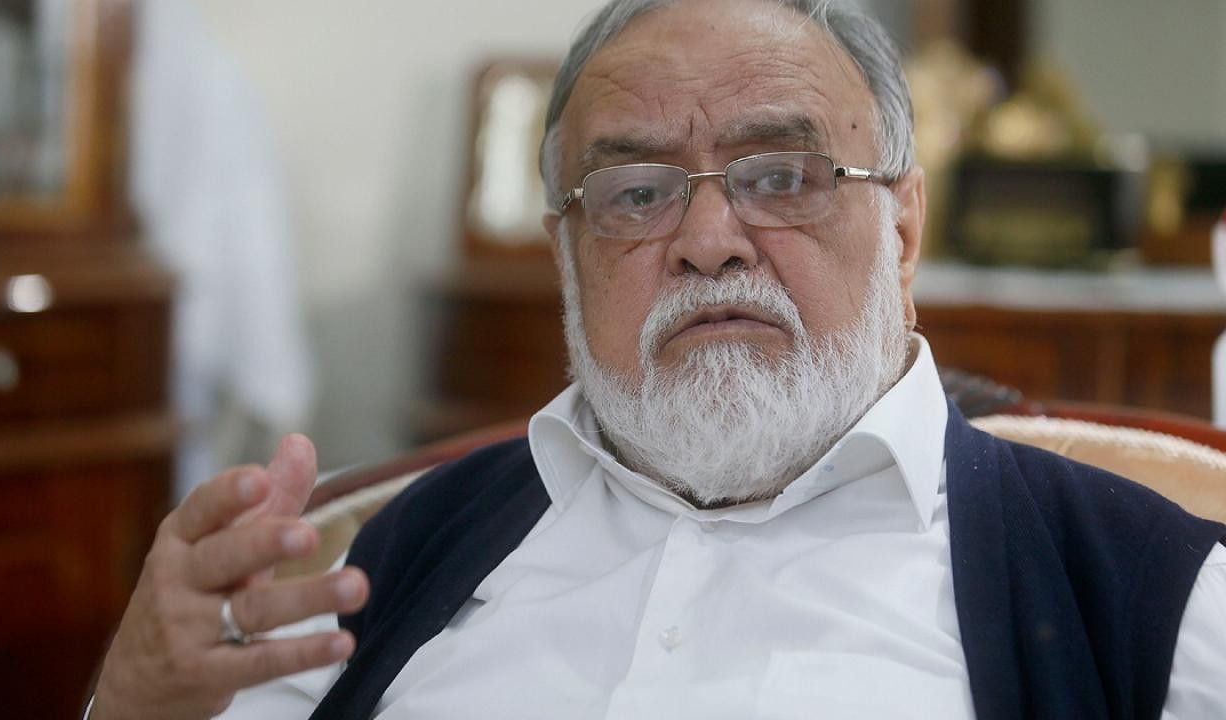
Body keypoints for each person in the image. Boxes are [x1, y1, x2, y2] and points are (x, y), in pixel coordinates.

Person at [90, 0, 1226, 718]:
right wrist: (135, 704)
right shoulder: (386, 560)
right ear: (567, 256)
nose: (707, 239)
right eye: (635, 194)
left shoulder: (1148, 597)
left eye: (780, 176)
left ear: (901, 228)